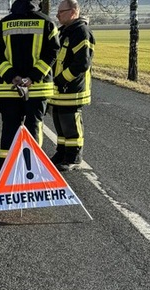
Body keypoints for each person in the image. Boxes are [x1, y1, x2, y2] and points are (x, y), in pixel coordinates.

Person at [0, 0, 60, 169]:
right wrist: (32, 77)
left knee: (9, 128)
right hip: (37, 87)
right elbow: (53, 52)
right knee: (34, 127)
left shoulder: (2, 24)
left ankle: (6, 169)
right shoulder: (47, 23)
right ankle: (33, 169)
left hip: (9, 88)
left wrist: (12, 76)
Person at [48, 0, 94, 171]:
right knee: (60, 124)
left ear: (74, 11)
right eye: (58, 12)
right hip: (60, 90)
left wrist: (61, 80)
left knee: (71, 125)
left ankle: (74, 157)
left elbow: (82, 63)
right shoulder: (64, 31)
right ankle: (61, 153)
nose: (58, 15)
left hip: (72, 89)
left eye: (62, 11)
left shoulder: (81, 32)